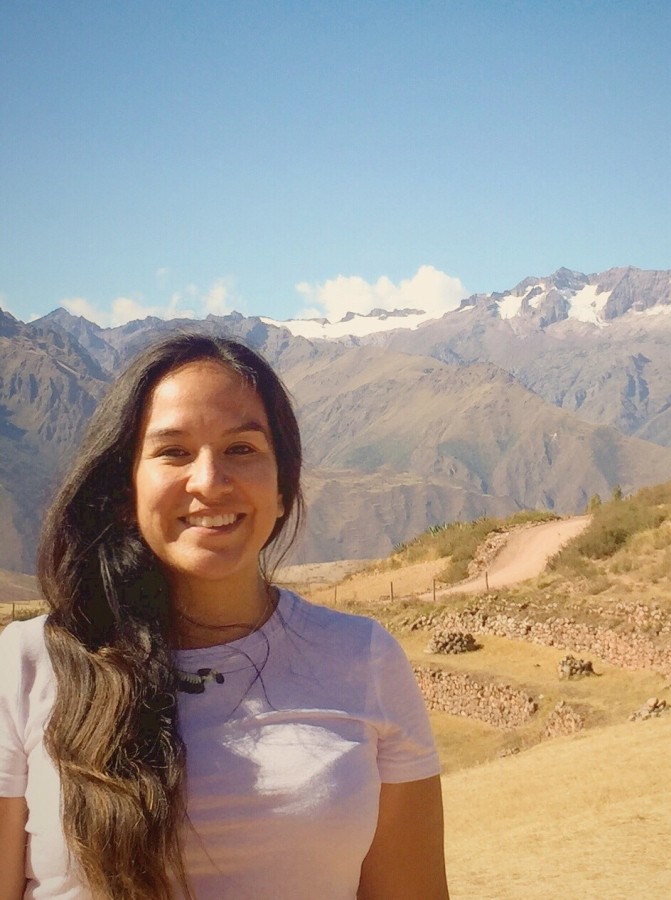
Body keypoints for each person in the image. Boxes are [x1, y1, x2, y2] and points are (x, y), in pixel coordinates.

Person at [0, 333, 449, 900]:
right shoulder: (28, 664)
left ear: (284, 486)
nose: (209, 482)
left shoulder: (364, 658)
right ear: (124, 489)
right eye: (173, 452)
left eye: (242, 449)